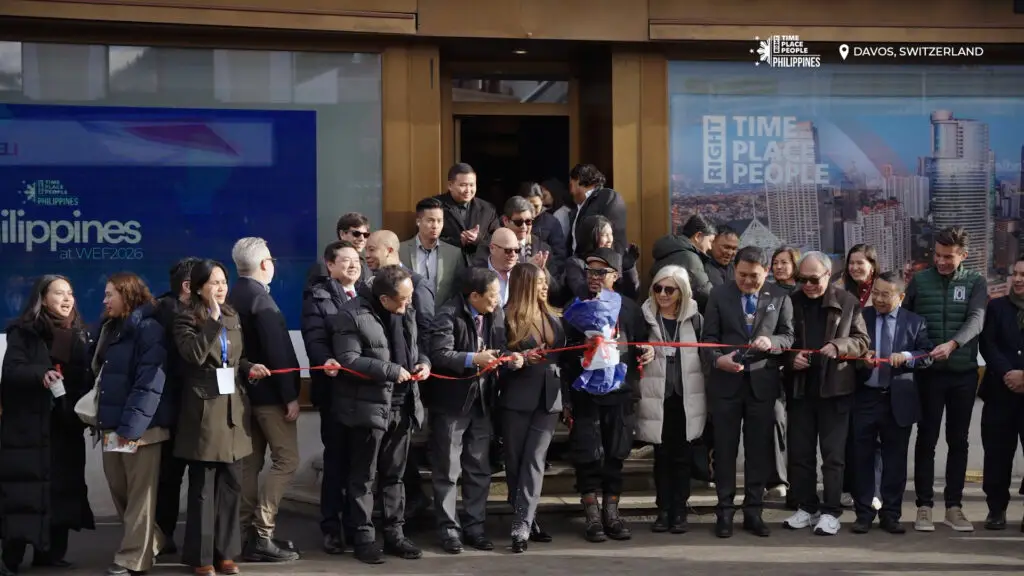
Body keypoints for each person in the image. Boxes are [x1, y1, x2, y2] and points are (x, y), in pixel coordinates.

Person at [173, 259, 272, 576]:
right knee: (204, 488)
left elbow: (236, 358)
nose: (220, 288)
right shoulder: (185, 318)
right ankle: (201, 558)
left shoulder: (233, 315)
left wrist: (249, 369)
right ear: (198, 288)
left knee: (232, 485)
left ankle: (225, 553)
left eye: (223, 282)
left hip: (234, 408)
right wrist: (212, 321)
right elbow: (193, 355)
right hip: (204, 410)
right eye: (213, 283)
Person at [332, 266, 430, 564]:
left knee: (395, 475)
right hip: (367, 407)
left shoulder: (406, 309)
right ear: (384, 299)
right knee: (363, 476)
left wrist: (423, 363)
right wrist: (390, 371)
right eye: (401, 300)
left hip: (403, 404)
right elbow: (348, 358)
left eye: (410, 297)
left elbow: (417, 347)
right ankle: (363, 538)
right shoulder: (351, 314)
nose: (407, 304)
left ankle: (395, 535)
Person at [0, 275, 95, 573]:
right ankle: (12, 554)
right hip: (29, 428)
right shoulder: (24, 333)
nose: (67, 300)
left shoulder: (80, 336)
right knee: (24, 492)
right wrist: (40, 375)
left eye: (70, 293)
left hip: (64, 426)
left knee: (62, 488)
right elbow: (12, 372)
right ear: (42, 298)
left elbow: (83, 379)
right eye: (59, 294)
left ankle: (51, 552)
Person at [425, 267, 523, 554]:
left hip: (482, 402)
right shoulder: (448, 315)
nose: (497, 300)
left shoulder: (496, 314)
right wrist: (472, 358)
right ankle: (448, 530)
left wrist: (510, 358)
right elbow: (439, 354)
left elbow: (501, 347)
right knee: (447, 470)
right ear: (474, 296)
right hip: (452, 404)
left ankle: (475, 528)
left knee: (478, 469)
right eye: (492, 295)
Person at [560, 248, 654, 543]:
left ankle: (611, 512)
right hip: (584, 392)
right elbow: (561, 356)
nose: (594, 278)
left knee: (615, 453)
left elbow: (642, 342)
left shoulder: (629, 308)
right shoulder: (575, 307)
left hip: (619, 391)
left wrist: (647, 351)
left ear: (616, 275)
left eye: (601, 272)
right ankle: (591, 514)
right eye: (590, 271)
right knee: (587, 453)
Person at [700, 246, 794, 539]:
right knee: (726, 451)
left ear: (765, 272)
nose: (747, 281)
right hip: (726, 385)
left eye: (754, 276)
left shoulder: (779, 297)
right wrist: (718, 360)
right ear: (734, 270)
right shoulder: (719, 295)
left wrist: (772, 341)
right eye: (742, 275)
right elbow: (708, 339)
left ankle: (753, 510)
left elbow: (789, 336)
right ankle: (724, 512)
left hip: (762, 386)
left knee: (757, 451)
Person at [903, 226, 987, 532]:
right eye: (937, 255)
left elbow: (976, 319)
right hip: (928, 376)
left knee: (958, 441)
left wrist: (953, 344)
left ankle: (954, 506)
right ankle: (924, 506)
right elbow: (906, 319)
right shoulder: (920, 281)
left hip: (963, 374)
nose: (941, 262)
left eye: (948, 257)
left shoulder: (976, 282)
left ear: (963, 255)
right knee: (926, 440)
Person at [782, 252, 870, 536]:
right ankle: (807, 508)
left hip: (836, 391)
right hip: (800, 391)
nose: (807, 285)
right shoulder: (790, 302)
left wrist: (839, 345)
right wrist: (789, 360)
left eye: (813, 279)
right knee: (801, 454)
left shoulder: (847, 302)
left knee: (833, 457)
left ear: (829, 275)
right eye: (802, 279)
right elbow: (780, 341)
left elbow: (862, 341)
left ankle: (831, 511)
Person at [228, 237, 301, 562]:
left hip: (244, 395)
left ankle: (242, 535)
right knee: (287, 460)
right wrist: (291, 395)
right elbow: (278, 351)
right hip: (271, 396)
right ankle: (262, 532)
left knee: (250, 464)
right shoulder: (262, 301)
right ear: (264, 264)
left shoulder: (232, 295)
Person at [94, 273, 172, 575]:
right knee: (119, 488)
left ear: (127, 295)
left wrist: (132, 429)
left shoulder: (149, 329)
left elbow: (149, 382)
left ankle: (132, 559)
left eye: (110, 294)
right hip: (112, 424)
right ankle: (152, 540)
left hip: (141, 429)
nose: (104, 300)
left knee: (140, 495)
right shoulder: (110, 329)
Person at [851, 271, 933, 535]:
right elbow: (848, 350)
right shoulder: (861, 318)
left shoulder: (915, 322)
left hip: (898, 399)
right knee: (861, 458)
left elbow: (927, 354)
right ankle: (863, 514)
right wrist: (861, 359)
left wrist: (907, 356)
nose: (879, 299)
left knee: (895, 461)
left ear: (901, 296)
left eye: (886, 294)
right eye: (875, 293)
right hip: (865, 397)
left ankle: (891, 514)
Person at [300, 240, 362, 554]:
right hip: (335, 390)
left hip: (366, 393)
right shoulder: (318, 296)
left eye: (357, 259)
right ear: (330, 265)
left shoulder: (369, 293)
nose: (353, 264)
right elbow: (314, 336)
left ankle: (357, 525)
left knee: (360, 463)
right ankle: (331, 526)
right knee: (336, 460)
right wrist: (326, 361)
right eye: (346, 260)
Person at [636, 265, 705, 534]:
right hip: (657, 395)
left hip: (686, 396)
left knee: (682, 455)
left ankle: (680, 509)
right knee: (661, 456)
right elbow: (635, 349)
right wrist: (643, 352)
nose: (662, 294)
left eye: (669, 289)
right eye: (658, 288)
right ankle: (663, 510)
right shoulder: (645, 316)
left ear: (682, 291)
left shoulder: (695, 318)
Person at [500, 263, 563, 552]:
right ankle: (526, 515)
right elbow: (497, 356)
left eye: (545, 281)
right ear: (524, 285)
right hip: (517, 397)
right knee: (515, 462)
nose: (545, 286)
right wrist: (520, 358)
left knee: (535, 460)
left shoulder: (554, 316)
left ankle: (522, 523)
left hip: (550, 398)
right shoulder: (505, 318)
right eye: (538, 282)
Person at [153, 257, 201, 556]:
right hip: (178, 407)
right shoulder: (173, 315)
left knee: (170, 477)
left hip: (177, 407)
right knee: (172, 476)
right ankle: (165, 535)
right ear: (188, 286)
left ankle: (164, 535)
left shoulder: (162, 309)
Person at [978, 256, 1024, 531]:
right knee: (996, 454)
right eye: (1014, 274)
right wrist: (1009, 373)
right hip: (999, 392)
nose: (1017, 280)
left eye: (1023, 275)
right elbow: (988, 344)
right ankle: (996, 509)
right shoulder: (997, 307)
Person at [475, 196, 563, 299]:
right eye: (518, 222)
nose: (524, 227)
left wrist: (542, 272)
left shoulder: (542, 248)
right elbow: (479, 284)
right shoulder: (490, 247)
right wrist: (527, 271)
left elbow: (556, 291)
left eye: (528, 221)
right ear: (506, 220)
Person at [399, 197, 465, 309]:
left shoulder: (454, 254)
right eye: (430, 220)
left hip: (442, 318)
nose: (435, 226)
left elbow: (458, 290)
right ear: (418, 221)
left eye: (440, 221)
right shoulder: (401, 250)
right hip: (410, 316)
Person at [564, 215, 640, 303]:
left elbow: (632, 295)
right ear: (590, 236)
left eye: (611, 234)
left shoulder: (616, 259)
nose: (609, 240)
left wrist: (628, 269)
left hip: (619, 310)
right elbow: (582, 294)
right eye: (605, 235)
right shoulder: (575, 263)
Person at [435, 163, 501, 265]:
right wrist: (459, 241)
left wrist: (477, 239)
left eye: (472, 185)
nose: (468, 190)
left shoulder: (487, 209)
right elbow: (428, 237)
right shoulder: (436, 206)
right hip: (446, 265)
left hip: (480, 268)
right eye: (463, 185)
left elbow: (498, 239)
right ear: (450, 185)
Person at [650, 214, 716, 312]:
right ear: (698, 236)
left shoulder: (668, 251)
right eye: (710, 241)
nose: (710, 247)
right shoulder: (690, 258)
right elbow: (705, 293)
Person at [566, 163, 628, 256]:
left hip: (602, 265)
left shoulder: (608, 198)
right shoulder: (577, 209)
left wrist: (612, 264)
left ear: (578, 180)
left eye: (571, 185)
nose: (570, 192)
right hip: (581, 266)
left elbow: (615, 237)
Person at [521, 182, 568, 260]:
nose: (532, 210)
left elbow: (559, 255)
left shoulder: (552, 223)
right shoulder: (513, 221)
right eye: (528, 206)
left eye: (536, 206)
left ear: (542, 201)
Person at [477, 227, 521, 306]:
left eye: (517, 250)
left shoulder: (522, 275)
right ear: (492, 248)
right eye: (508, 250)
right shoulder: (476, 274)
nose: (513, 255)